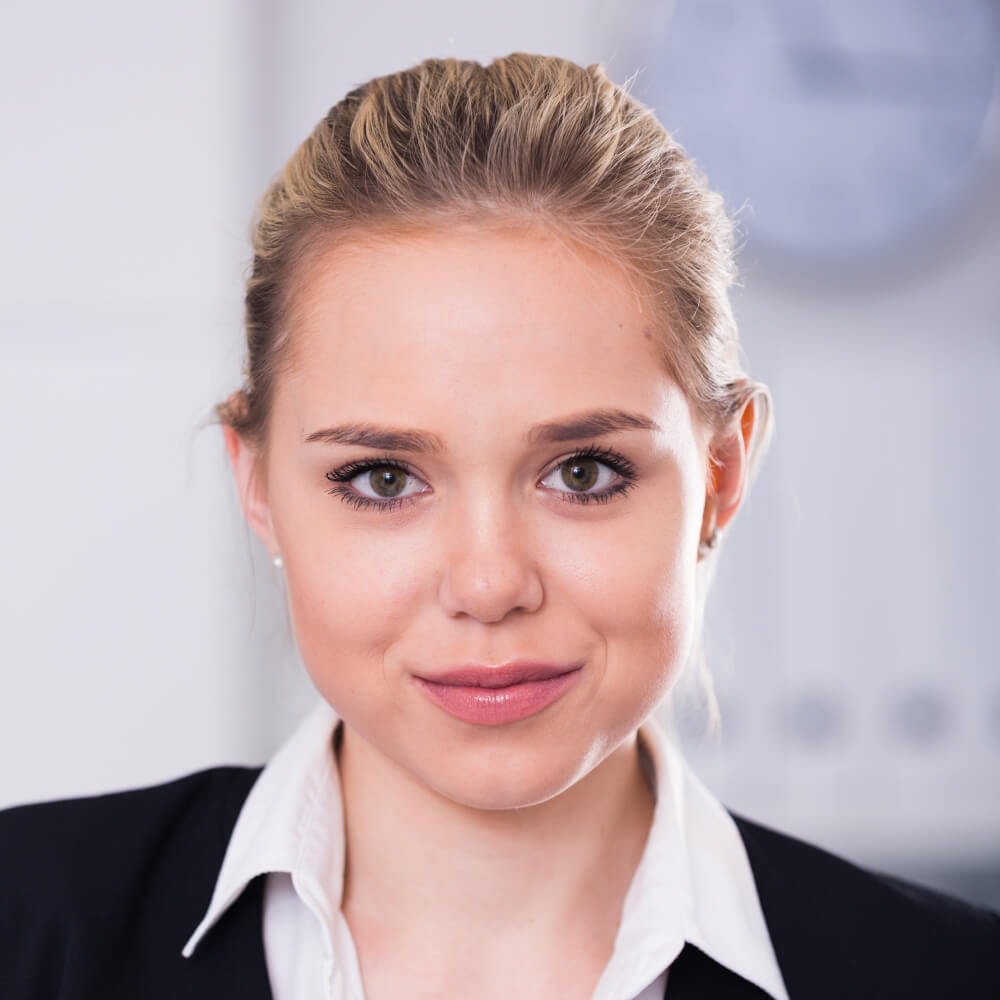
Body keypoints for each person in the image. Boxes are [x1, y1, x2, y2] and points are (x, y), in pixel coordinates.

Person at [1, 53, 997, 1000]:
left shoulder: (952, 978)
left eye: (582, 472)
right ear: (256, 484)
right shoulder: (23, 927)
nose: (487, 584)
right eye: (383, 478)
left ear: (721, 475)